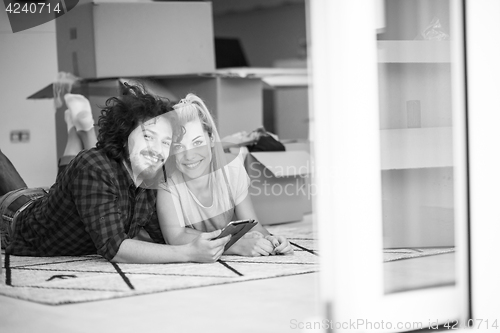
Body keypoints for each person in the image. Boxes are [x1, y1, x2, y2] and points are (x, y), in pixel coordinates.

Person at [0, 84, 230, 263]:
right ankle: (80, 128)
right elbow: (115, 248)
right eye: (148, 136)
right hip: (15, 215)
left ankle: (76, 129)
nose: (158, 150)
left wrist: (224, 241)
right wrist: (189, 254)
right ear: (124, 135)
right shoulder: (94, 166)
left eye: (166, 142)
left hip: (58, 201)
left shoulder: (151, 175)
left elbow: (167, 235)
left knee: (65, 187)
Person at [157, 93, 294, 256]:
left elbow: (253, 225)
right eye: (179, 146)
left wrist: (270, 239)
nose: (189, 155)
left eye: (198, 143)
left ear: (212, 139)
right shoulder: (167, 182)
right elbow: (176, 236)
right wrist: (234, 244)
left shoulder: (232, 170)